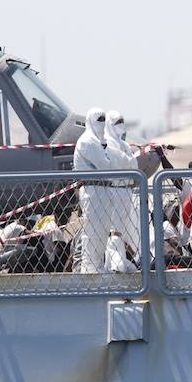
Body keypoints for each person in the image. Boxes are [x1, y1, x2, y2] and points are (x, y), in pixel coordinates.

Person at [73, 107, 116, 273]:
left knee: (102, 231)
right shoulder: (88, 141)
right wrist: (107, 155)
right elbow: (106, 166)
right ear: (90, 120)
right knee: (93, 231)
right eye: (99, 120)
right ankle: (90, 268)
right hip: (93, 190)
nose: (102, 123)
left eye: (104, 120)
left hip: (101, 190)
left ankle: (96, 266)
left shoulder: (98, 141)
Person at [104, 110, 140, 259]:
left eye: (121, 122)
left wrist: (128, 160)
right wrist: (128, 160)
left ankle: (124, 258)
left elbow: (133, 164)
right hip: (114, 190)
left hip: (126, 189)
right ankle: (114, 260)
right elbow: (123, 161)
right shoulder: (107, 142)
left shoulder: (123, 143)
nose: (120, 125)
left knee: (125, 227)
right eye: (117, 123)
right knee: (115, 228)